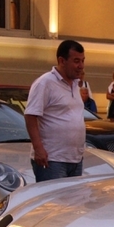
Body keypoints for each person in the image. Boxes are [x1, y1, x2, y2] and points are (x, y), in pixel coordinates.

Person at [25, 40, 86, 183]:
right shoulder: (45, 83)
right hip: (52, 160)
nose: (81, 66)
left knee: (72, 204)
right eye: (76, 61)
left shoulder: (76, 84)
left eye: (83, 61)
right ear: (61, 61)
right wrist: (38, 148)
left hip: (75, 159)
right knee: (54, 205)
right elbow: (30, 116)